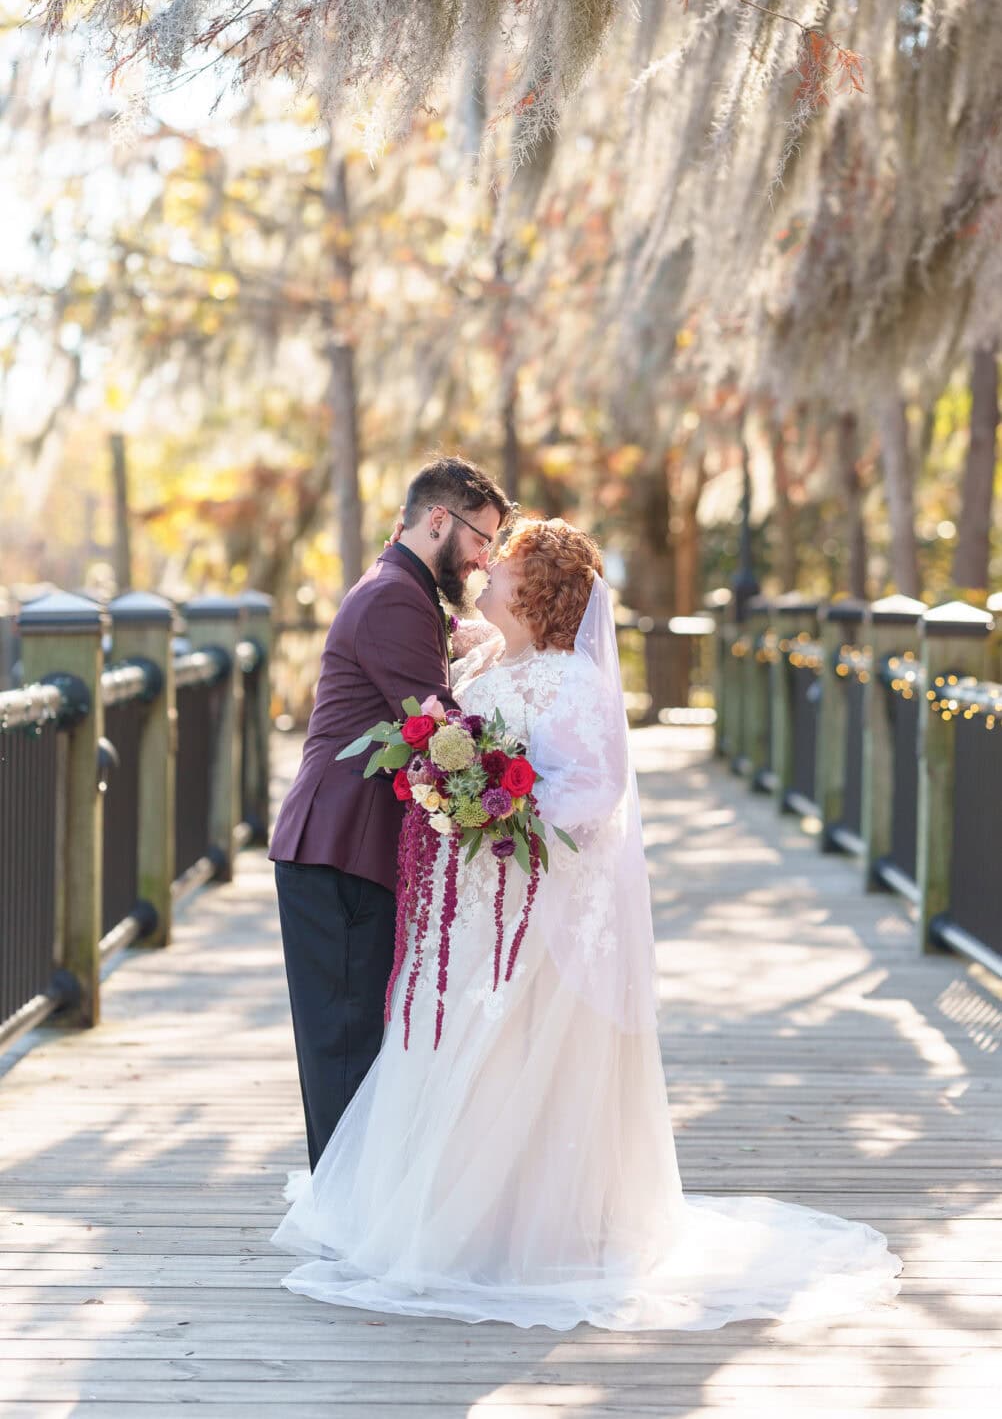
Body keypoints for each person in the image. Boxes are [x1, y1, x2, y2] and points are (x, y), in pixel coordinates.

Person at [273, 517, 902, 1331]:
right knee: (459, 1058)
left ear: (538, 592)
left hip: (535, 913)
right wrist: (464, 798)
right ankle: (446, 1217)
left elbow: (594, 793)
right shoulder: (494, 661)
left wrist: (503, 818)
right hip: (476, 913)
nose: (489, 575)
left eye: (505, 569)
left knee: (515, 1060)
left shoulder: (574, 683)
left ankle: (522, 1233)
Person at [269, 456, 511, 1170]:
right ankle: (342, 1230)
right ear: (438, 520)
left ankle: (348, 1216)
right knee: (344, 1050)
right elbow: (443, 730)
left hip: (348, 850)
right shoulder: (395, 599)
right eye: (480, 539)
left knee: (352, 1046)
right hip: (338, 850)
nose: (483, 559)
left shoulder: (404, 593)